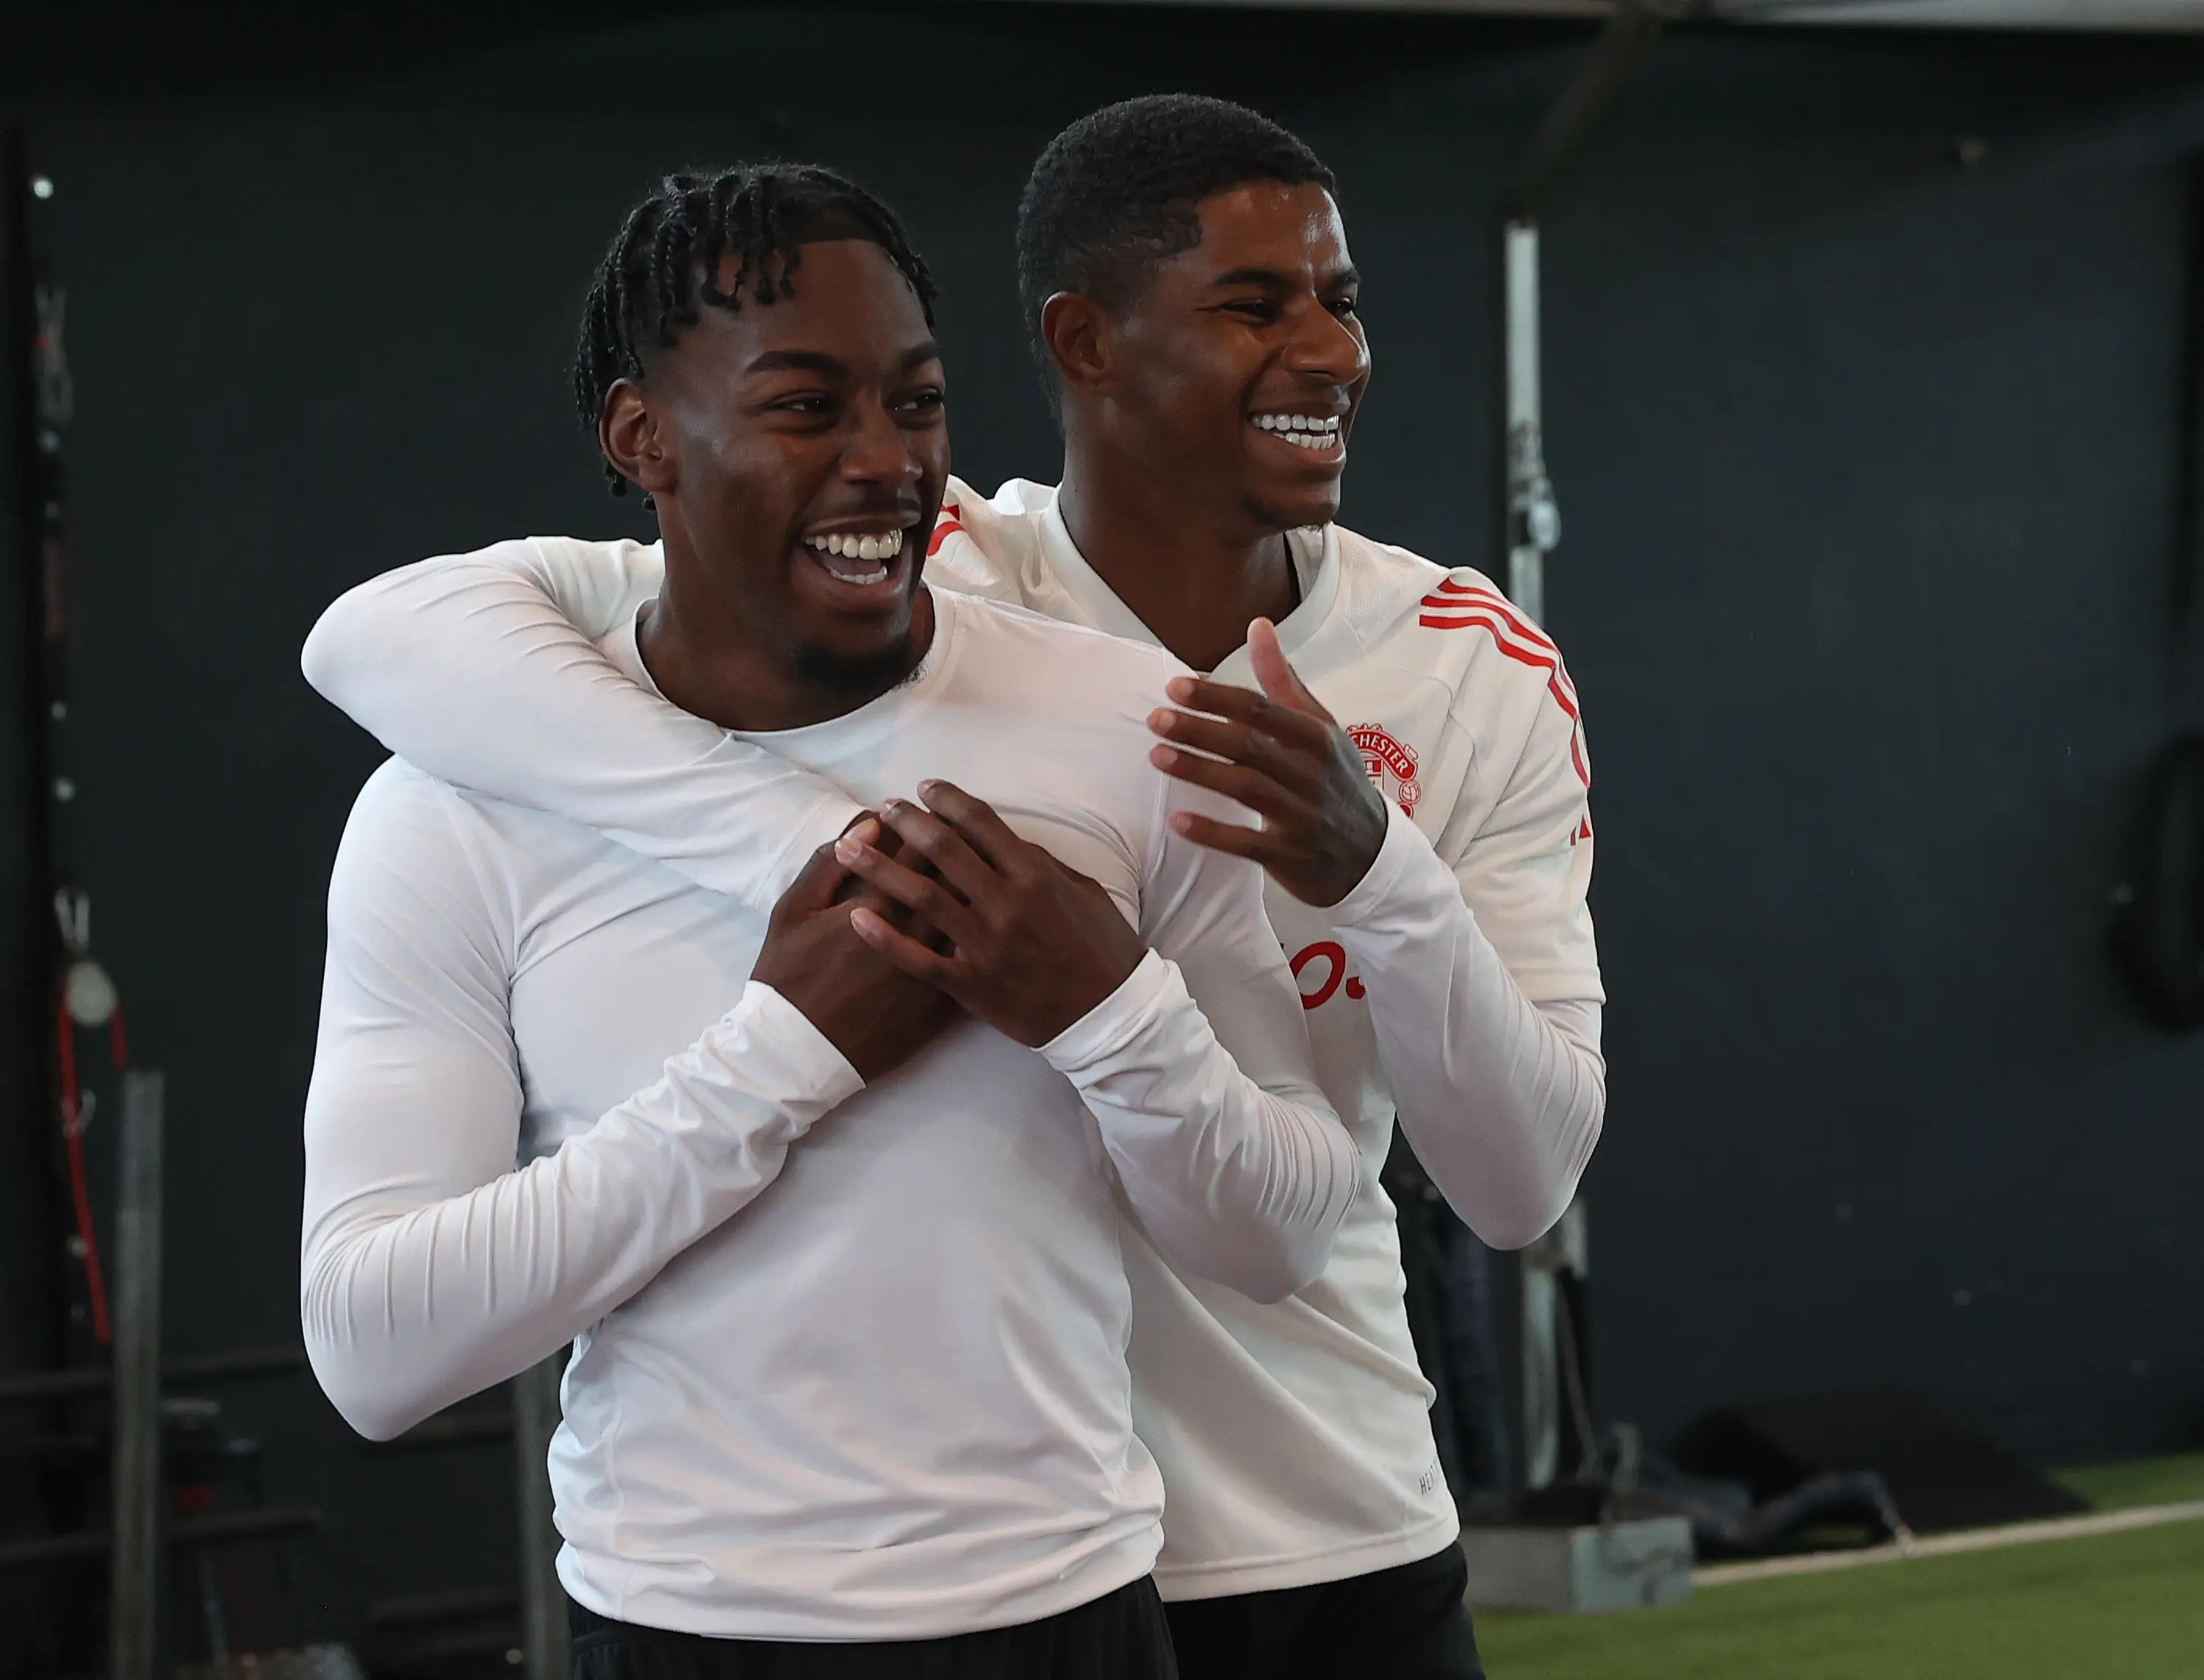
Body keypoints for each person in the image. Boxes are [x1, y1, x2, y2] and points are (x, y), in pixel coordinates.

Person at [303, 98, 1608, 1680]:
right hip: (820, 1590)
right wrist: (810, 876)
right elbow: (382, 634)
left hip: (1301, 1518)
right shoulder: (915, 570)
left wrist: (1367, 881)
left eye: (1342, 301)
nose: (1332, 353)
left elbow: (1493, 1192)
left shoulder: (1381, 685)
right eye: (1258, 305)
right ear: (1086, 344)